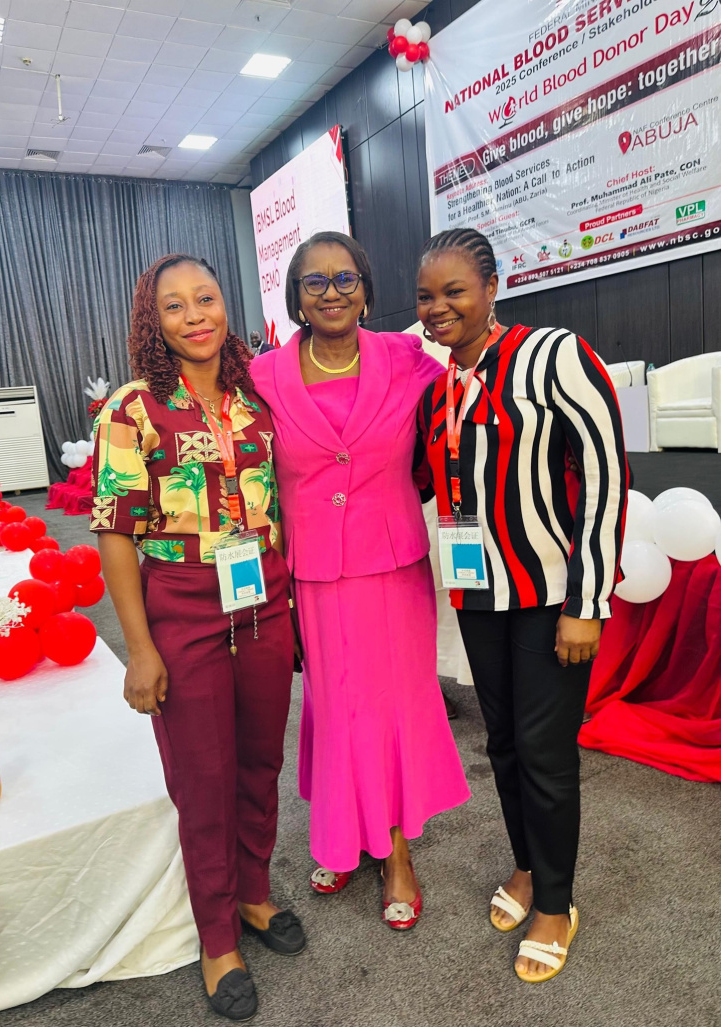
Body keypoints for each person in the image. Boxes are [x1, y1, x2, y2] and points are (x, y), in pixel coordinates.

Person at [91, 254, 304, 1023]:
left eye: (206, 298)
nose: (195, 316)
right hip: (182, 605)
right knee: (203, 775)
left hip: (264, 600)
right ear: (154, 320)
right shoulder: (133, 408)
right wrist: (140, 648)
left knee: (261, 760)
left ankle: (253, 892)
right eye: (175, 305)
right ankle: (217, 936)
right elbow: (115, 533)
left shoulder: (256, 397)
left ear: (224, 304)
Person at [416, 228, 627, 982]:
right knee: (502, 742)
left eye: (454, 291)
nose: (437, 308)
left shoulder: (552, 354)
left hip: (549, 593)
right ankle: (531, 867)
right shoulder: (438, 389)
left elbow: (606, 473)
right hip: (479, 593)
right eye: (425, 297)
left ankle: (557, 904)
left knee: (544, 750)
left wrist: (587, 600)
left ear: (492, 287)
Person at [251, 231, 470, 930]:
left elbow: (463, 420)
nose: (331, 292)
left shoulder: (407, 360)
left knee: (395, 706)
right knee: (336, 705)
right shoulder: (264, 377)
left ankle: (396, 849)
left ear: (367, 291)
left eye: (345, 278)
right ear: (296, 298)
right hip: (315, 572)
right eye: (313, 281)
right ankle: (344, 833)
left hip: (394, 566)